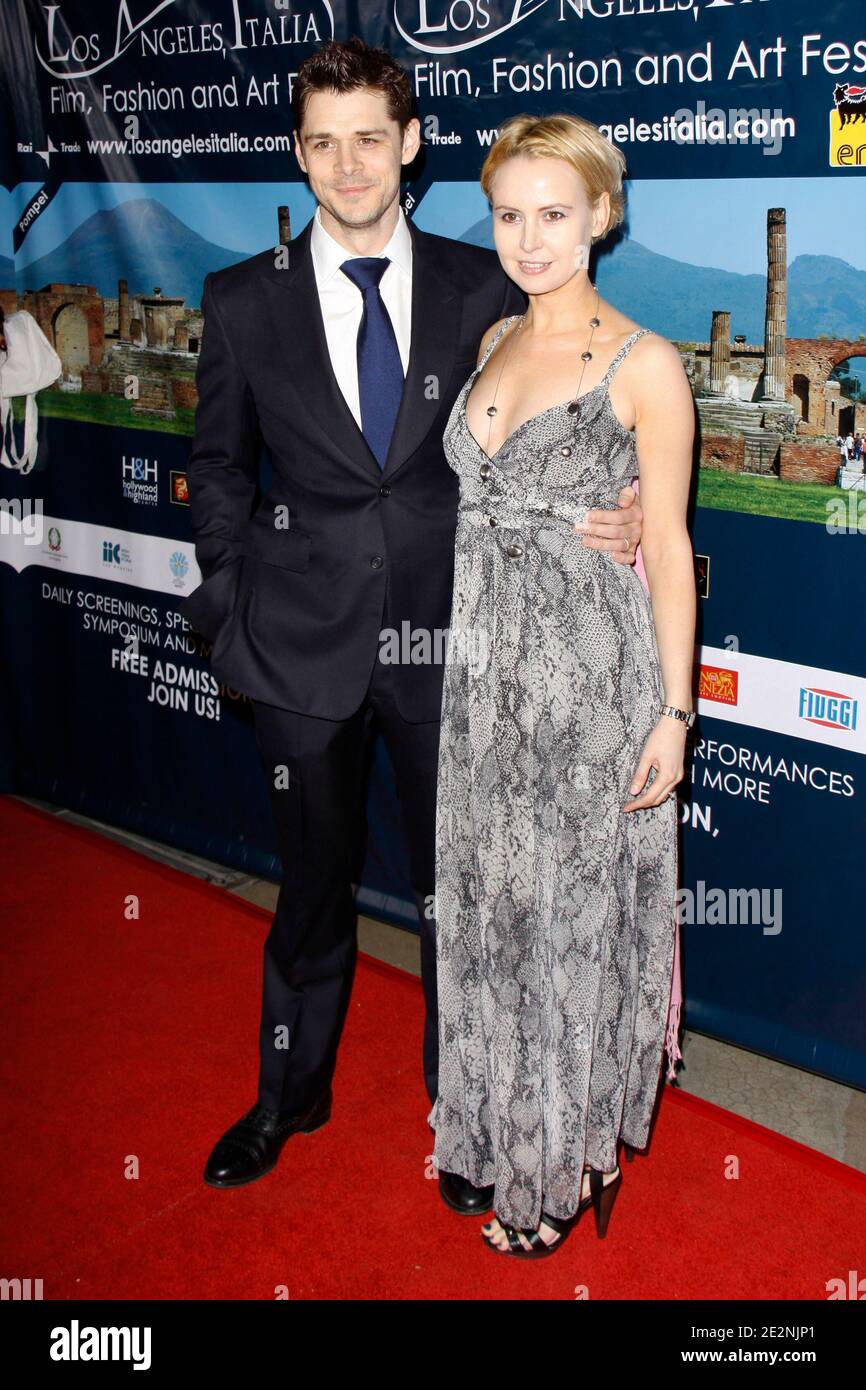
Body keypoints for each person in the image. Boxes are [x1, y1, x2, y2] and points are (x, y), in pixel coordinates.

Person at [181, 39, 647, 1206]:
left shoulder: (482, 284)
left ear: (411, 145)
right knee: (309, 892)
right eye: (322, 142)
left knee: (465, 897)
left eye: (369, 139)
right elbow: (218, 470)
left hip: (462, 651)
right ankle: (290, 1094)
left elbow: (582, 406)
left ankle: (468, 1107)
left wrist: (628, 508)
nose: (348, 166)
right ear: (297, 153)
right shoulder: (241, 300)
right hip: (295, 647)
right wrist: (227, 618)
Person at [428, 112, 695, 1258]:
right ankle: (488, 1128)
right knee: (489, 916)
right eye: (506, 215)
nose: (528, 239)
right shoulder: (493, 333)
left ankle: (557, 1165)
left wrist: (672, 713)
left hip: (588, 689)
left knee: (566, 930)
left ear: (602, 214)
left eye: (553, 213)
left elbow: (671, 546)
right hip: (480, 687)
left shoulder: (645, 364)